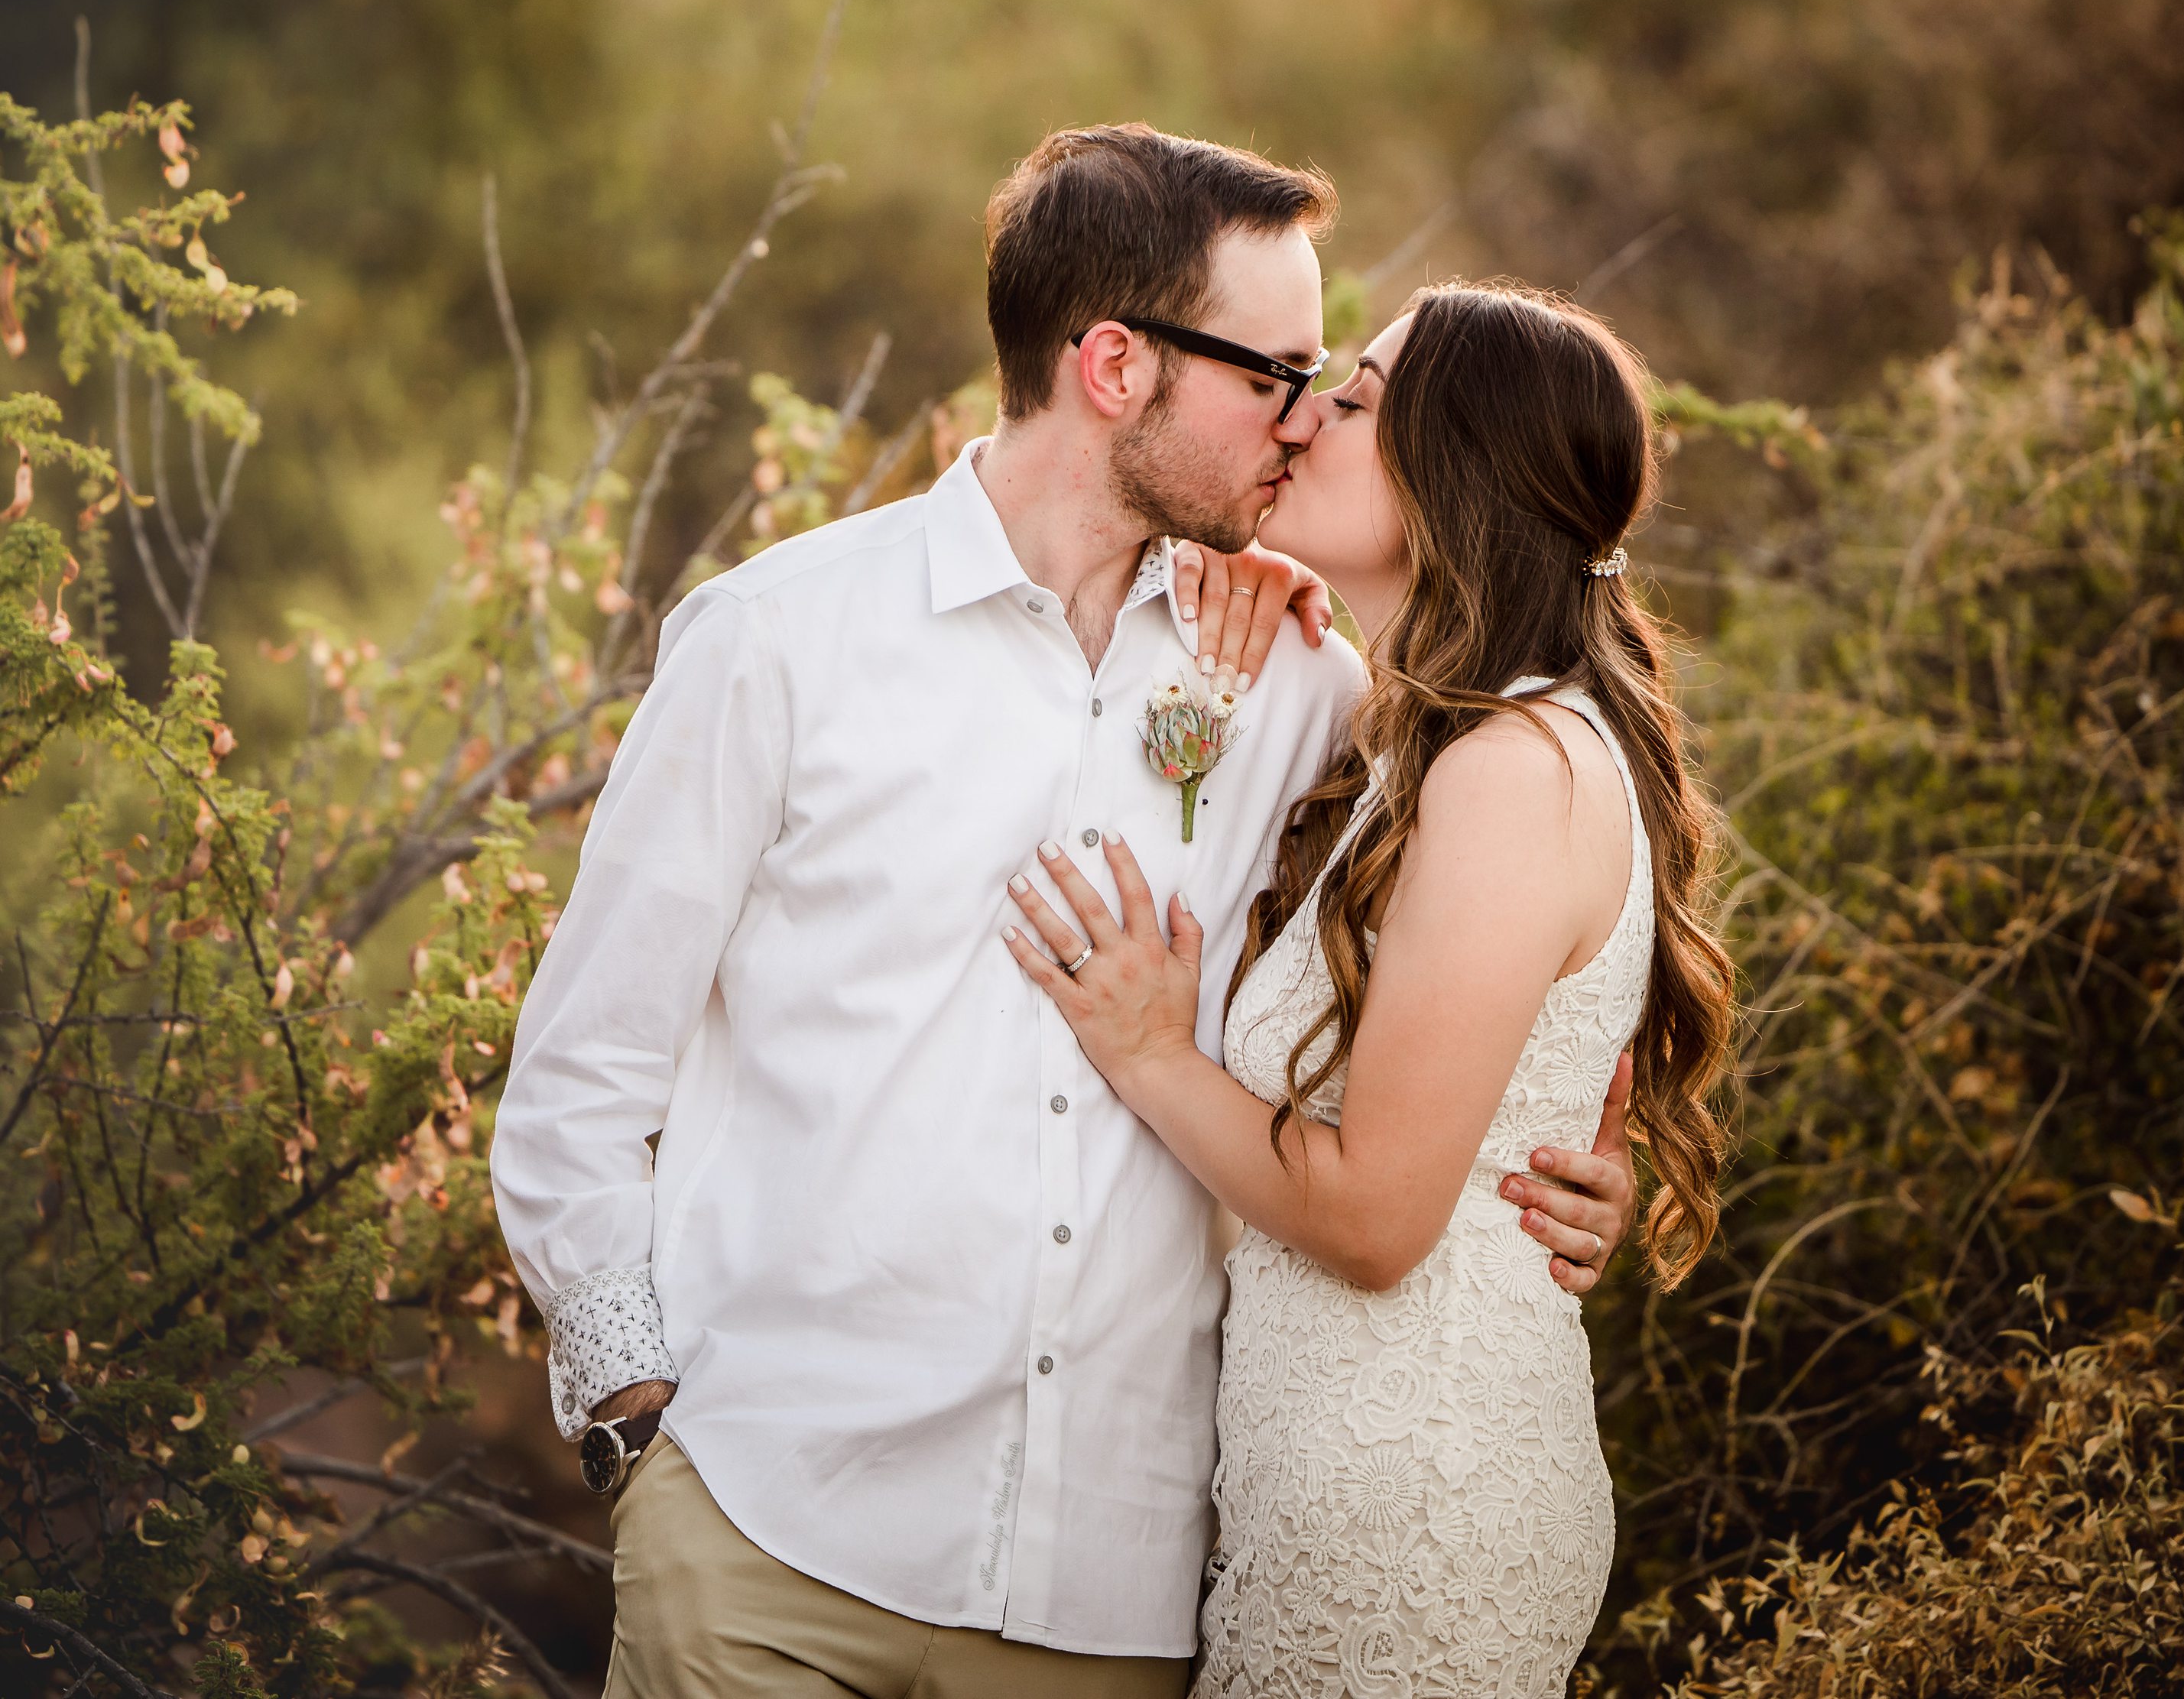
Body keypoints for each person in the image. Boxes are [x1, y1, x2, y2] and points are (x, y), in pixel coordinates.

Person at [489, 127, 1638, 1696]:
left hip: (1113, 1597)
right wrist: (641, 1431)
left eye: (1327, 387)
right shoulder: (779, 642)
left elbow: (1510, 927)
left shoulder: (1305, 684)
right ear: (1114, 365)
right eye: (1275, 375)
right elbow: (581, 1079)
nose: (1303, 425)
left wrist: (1572, 1153)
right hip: (768, 1541)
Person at [1004, 281, 1736, 1699]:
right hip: (1337, 1489)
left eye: (1354, 395)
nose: (1304, 412)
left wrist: (1151, 1052)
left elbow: (1377, 1218)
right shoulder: (1426, 747)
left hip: (1417, 1509)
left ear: (1453, 466)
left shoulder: (1514, 772)